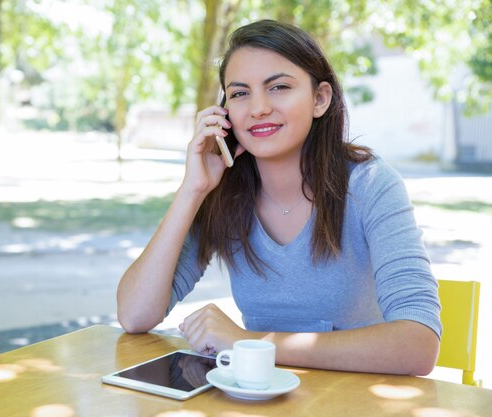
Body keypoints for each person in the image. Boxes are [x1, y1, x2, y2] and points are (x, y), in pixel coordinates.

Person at [117, 19, 441, 376]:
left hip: (354, 402)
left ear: (320, 99)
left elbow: (419, 344)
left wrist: (251, 343)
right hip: (259, 399)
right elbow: (134, 315)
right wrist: (191, 190)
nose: (257, 108)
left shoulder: (370, 184)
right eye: (240, 93)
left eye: (279, 87)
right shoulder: (222, 192)